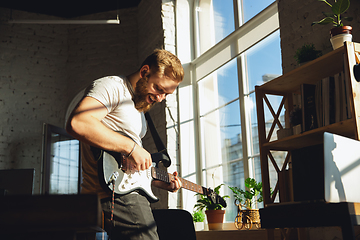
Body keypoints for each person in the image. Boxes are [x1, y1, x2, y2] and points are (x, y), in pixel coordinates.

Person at [66, 49, 184, 240]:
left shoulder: (139, 108)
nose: (160, 98)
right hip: (113, 194)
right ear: (145, 71)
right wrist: (132, 147)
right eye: (158, 89)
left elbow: (124, 163)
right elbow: (78, 123)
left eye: (166, 94)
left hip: (125, 190)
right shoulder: (112, 86)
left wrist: (159, 181)